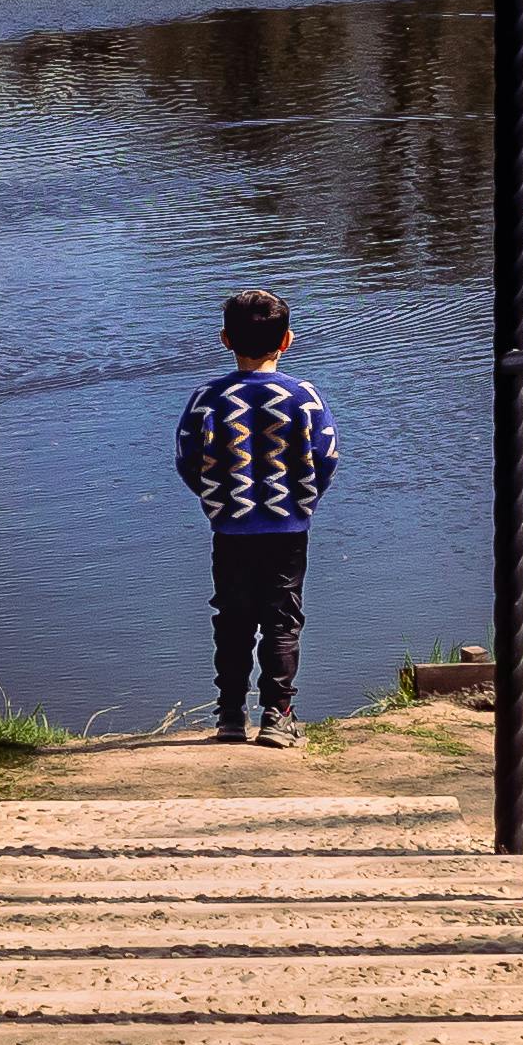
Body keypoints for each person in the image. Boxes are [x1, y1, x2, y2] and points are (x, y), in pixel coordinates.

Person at [170, 288, 338, 743]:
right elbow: (327, 456)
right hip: (288, 528)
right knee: (283, 618)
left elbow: (187, 458)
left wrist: (215, 502)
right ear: (287, 341)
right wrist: (302, 502)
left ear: (225, 340)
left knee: (233, 616)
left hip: (231, 527)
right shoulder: (304, 396)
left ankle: (229, 716)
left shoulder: (208, 398)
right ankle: (278, 715)